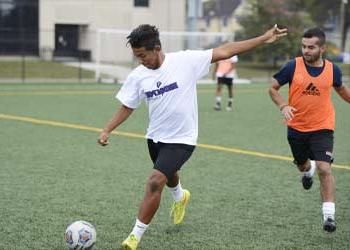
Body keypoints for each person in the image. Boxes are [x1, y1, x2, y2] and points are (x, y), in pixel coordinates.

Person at [98, 24, 287, 250]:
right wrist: (107, 129)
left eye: (142, 55)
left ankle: (134, 237)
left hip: (184, 138)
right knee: (168, 173)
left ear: (157, 48)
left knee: (155, 180)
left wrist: (263, 38)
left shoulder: (186, 61)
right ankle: (180, 196)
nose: (140, 60)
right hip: (156, 137)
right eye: (136, 56)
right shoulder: (138, 76)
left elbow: (226, 51)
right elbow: (127, 106)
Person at [268, 27, 350, 233]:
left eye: (311, 47)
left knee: (325, 168)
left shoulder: (333, 70)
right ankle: (308, 170)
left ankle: (329, 215)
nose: (306, 50)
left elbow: (342, 90)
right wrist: (283, 106)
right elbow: (272, 88)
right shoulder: (292, 66)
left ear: (322, 48)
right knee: (303, 166)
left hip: (323, 127)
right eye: (304, 46)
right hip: (296, 128)